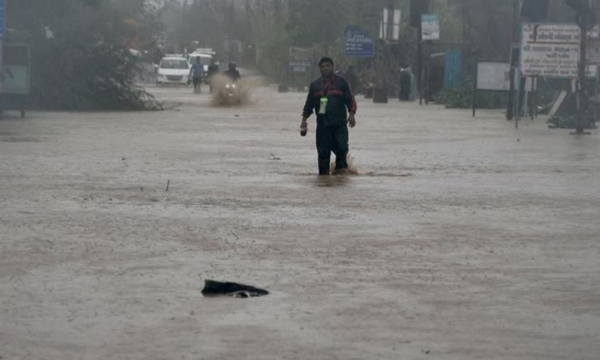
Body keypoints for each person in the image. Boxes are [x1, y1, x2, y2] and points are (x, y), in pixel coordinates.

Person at [301, 57, 357, 176]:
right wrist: (304, 120)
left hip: (339, 125)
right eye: (323, 66)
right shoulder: (315, 85)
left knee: (342, 149)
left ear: (333, 67)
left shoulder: (342, 83)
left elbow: (350, 100)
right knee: (323, 153)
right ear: (320, 69)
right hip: (323, 125)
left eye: (328, 66)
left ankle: (340, 177)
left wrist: (352, 114)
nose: (326, 68)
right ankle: (323, 179)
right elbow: (309, 104)